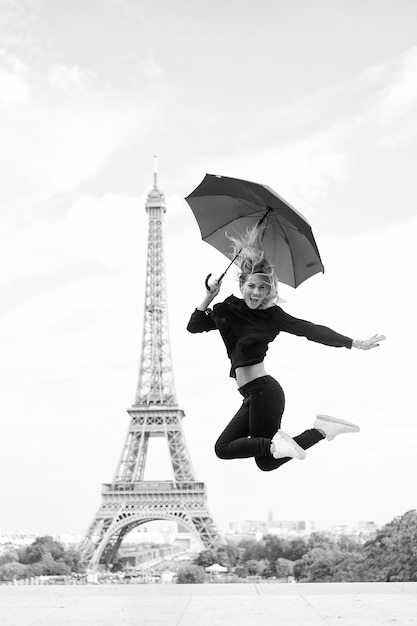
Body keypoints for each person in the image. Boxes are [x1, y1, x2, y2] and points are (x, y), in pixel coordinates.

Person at [186, 226, 386, 471]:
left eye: (263, 288)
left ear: (269, 290)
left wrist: (354, 343)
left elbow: (310, 329)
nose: (257, 293)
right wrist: (209, 296)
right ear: (242, 284)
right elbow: (194, 326)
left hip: (264, 393)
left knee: (228, 449)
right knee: (263, 461)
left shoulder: (272, 316)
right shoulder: (227, 309)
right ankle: (322, 429)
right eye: (252, 286)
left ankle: (285, 442)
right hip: (251, 395)